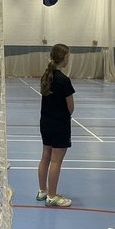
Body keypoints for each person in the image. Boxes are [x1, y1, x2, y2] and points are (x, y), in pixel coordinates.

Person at [36, 43, 74, 207]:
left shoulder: (46, 76)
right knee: (56, 161)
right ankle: (52, 196)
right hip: (59, 125)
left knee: (45, 156)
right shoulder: (64, 80)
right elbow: (70, 108)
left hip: (45, 123)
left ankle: (42, 191)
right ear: (64, 58)